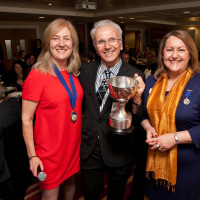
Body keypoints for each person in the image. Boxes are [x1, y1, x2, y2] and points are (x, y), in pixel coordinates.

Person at [79, 19, 145, 200]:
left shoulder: (135, 75)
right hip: (90, 146)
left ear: (121, 43)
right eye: (101, 41)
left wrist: (137, 98)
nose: (107, 46)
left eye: (112, 40)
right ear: (95, 46)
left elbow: (139, 117)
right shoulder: (85, 70)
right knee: (90, 194)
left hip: (120, 148)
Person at [21, 18, 83, 200]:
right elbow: (26, 119)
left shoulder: (73, 71)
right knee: (51, 193)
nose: (62, 44)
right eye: (56, 38)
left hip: (72, 146)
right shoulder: (38, 74)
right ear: (48, 42)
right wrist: (32, 156)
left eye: (67, 38)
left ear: (73, 44)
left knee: (71, 182)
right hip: (49, 152)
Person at [142, 30, 200, 200]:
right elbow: (144, 116)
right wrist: (148, 127)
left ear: (190, 53)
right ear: (162, 54)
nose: (174, 55)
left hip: (187, 170)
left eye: (181, 49)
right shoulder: (152, 81)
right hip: (153, 166)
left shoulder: (198, 82)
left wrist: (174, 138)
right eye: (169, 50)